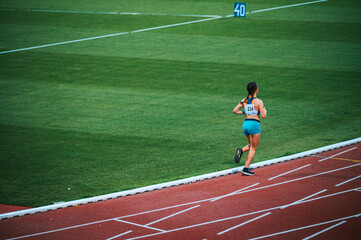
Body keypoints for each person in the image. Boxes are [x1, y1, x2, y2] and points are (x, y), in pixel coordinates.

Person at [233, 82, 267, 176]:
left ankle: (241, 151)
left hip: (245, 124)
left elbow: (235, 110)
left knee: (251, 144)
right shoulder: (259, 101)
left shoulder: (244, 100)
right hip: (254, 124)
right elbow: (263, 116)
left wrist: (245, 112)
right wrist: (264, 111)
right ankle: (246, 168)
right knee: (253, 148)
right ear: (256, 90)